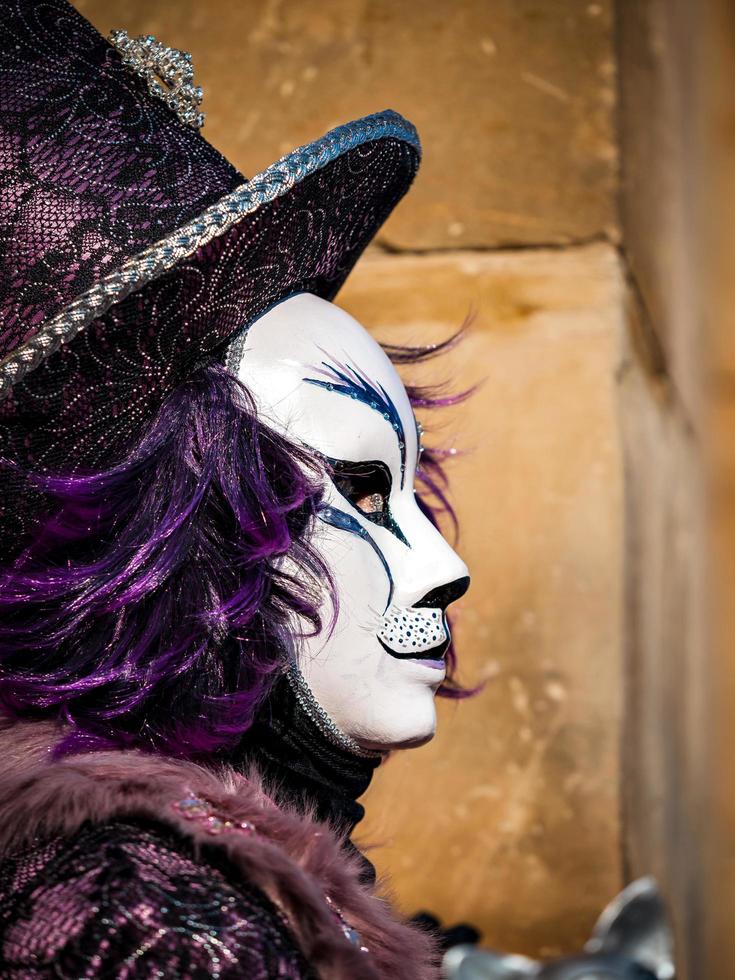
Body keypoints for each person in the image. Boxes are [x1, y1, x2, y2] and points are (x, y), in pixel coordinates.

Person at [0, 1, 470, 977]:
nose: (447, 567)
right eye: (363, 491)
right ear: (173, 543)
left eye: (412, 493)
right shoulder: (154, 935)